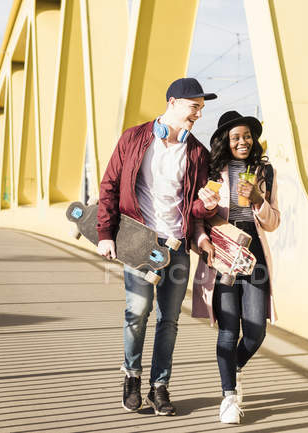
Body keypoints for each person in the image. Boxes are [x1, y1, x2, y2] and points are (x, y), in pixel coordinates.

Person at [96, 78, 220, 416]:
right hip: (139, 241)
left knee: (169, 320)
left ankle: (159, 386)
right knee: (137, 312)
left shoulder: (197, 152)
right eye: (194, 106)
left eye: (201, 109)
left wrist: (205, 206)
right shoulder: (134, 138)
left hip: (177, 244)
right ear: (173, 102)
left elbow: (193, 208)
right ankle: (131, 378)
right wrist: (105, 233)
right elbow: (109, 185)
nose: (198, 114)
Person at [192, 110, 280, 424]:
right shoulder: (212, 172)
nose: (242, 142)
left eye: (246, 136)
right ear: (225, 143)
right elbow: (197, 217)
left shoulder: (264, 171)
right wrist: (204, 228)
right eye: (235, 138)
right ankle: (229, 396)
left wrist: (258, 199)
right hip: (222, 257)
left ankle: (235, 367)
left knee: (255, 332)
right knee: (229, 332)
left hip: (254, 256)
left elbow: (273, 222)